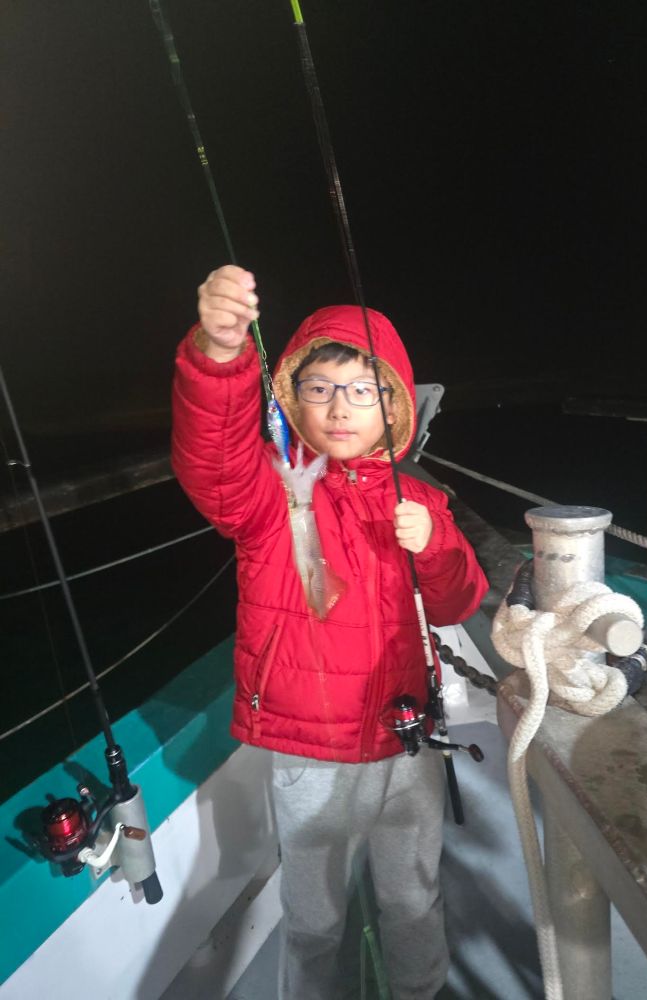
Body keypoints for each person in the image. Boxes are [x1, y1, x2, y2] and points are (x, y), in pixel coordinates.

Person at [172, 265, 489, 1000]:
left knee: (413, 895)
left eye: (362, 391)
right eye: (318, 389)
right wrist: (219, 354)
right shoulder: (269, 491)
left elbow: (456, 601)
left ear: (394, 407)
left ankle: (420, 991)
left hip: (406, 736)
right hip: (310, 750)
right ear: (291, 398)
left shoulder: (420, 497)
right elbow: (214, 462)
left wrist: (436, 545)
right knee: (313, 916)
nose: (340, 407)